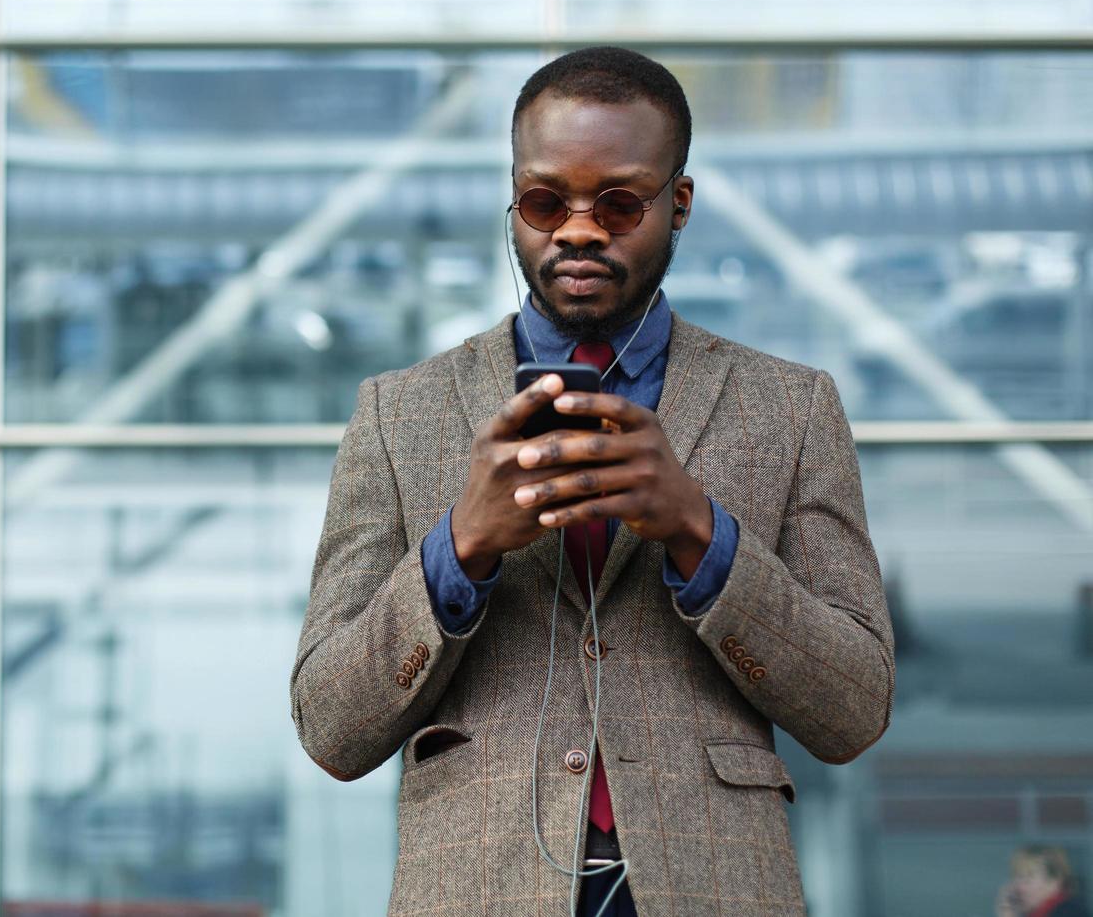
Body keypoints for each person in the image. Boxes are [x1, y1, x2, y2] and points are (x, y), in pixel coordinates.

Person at [288, 46, 895, 916]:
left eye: (618, 203)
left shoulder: (791, 408)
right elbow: (331, 727)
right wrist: (459, 549)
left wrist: (699, 532)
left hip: (716, 887)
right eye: (545, 201)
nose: (577, 229)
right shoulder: (396, 414)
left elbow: (854, 709)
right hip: (478, 889)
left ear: (677, 204)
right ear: (513, 200)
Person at [998, 845, 1090, 917]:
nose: (1018, 887)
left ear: (1054, 882)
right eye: (1016, 878)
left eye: (1028, 879)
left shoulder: (1069, 913)